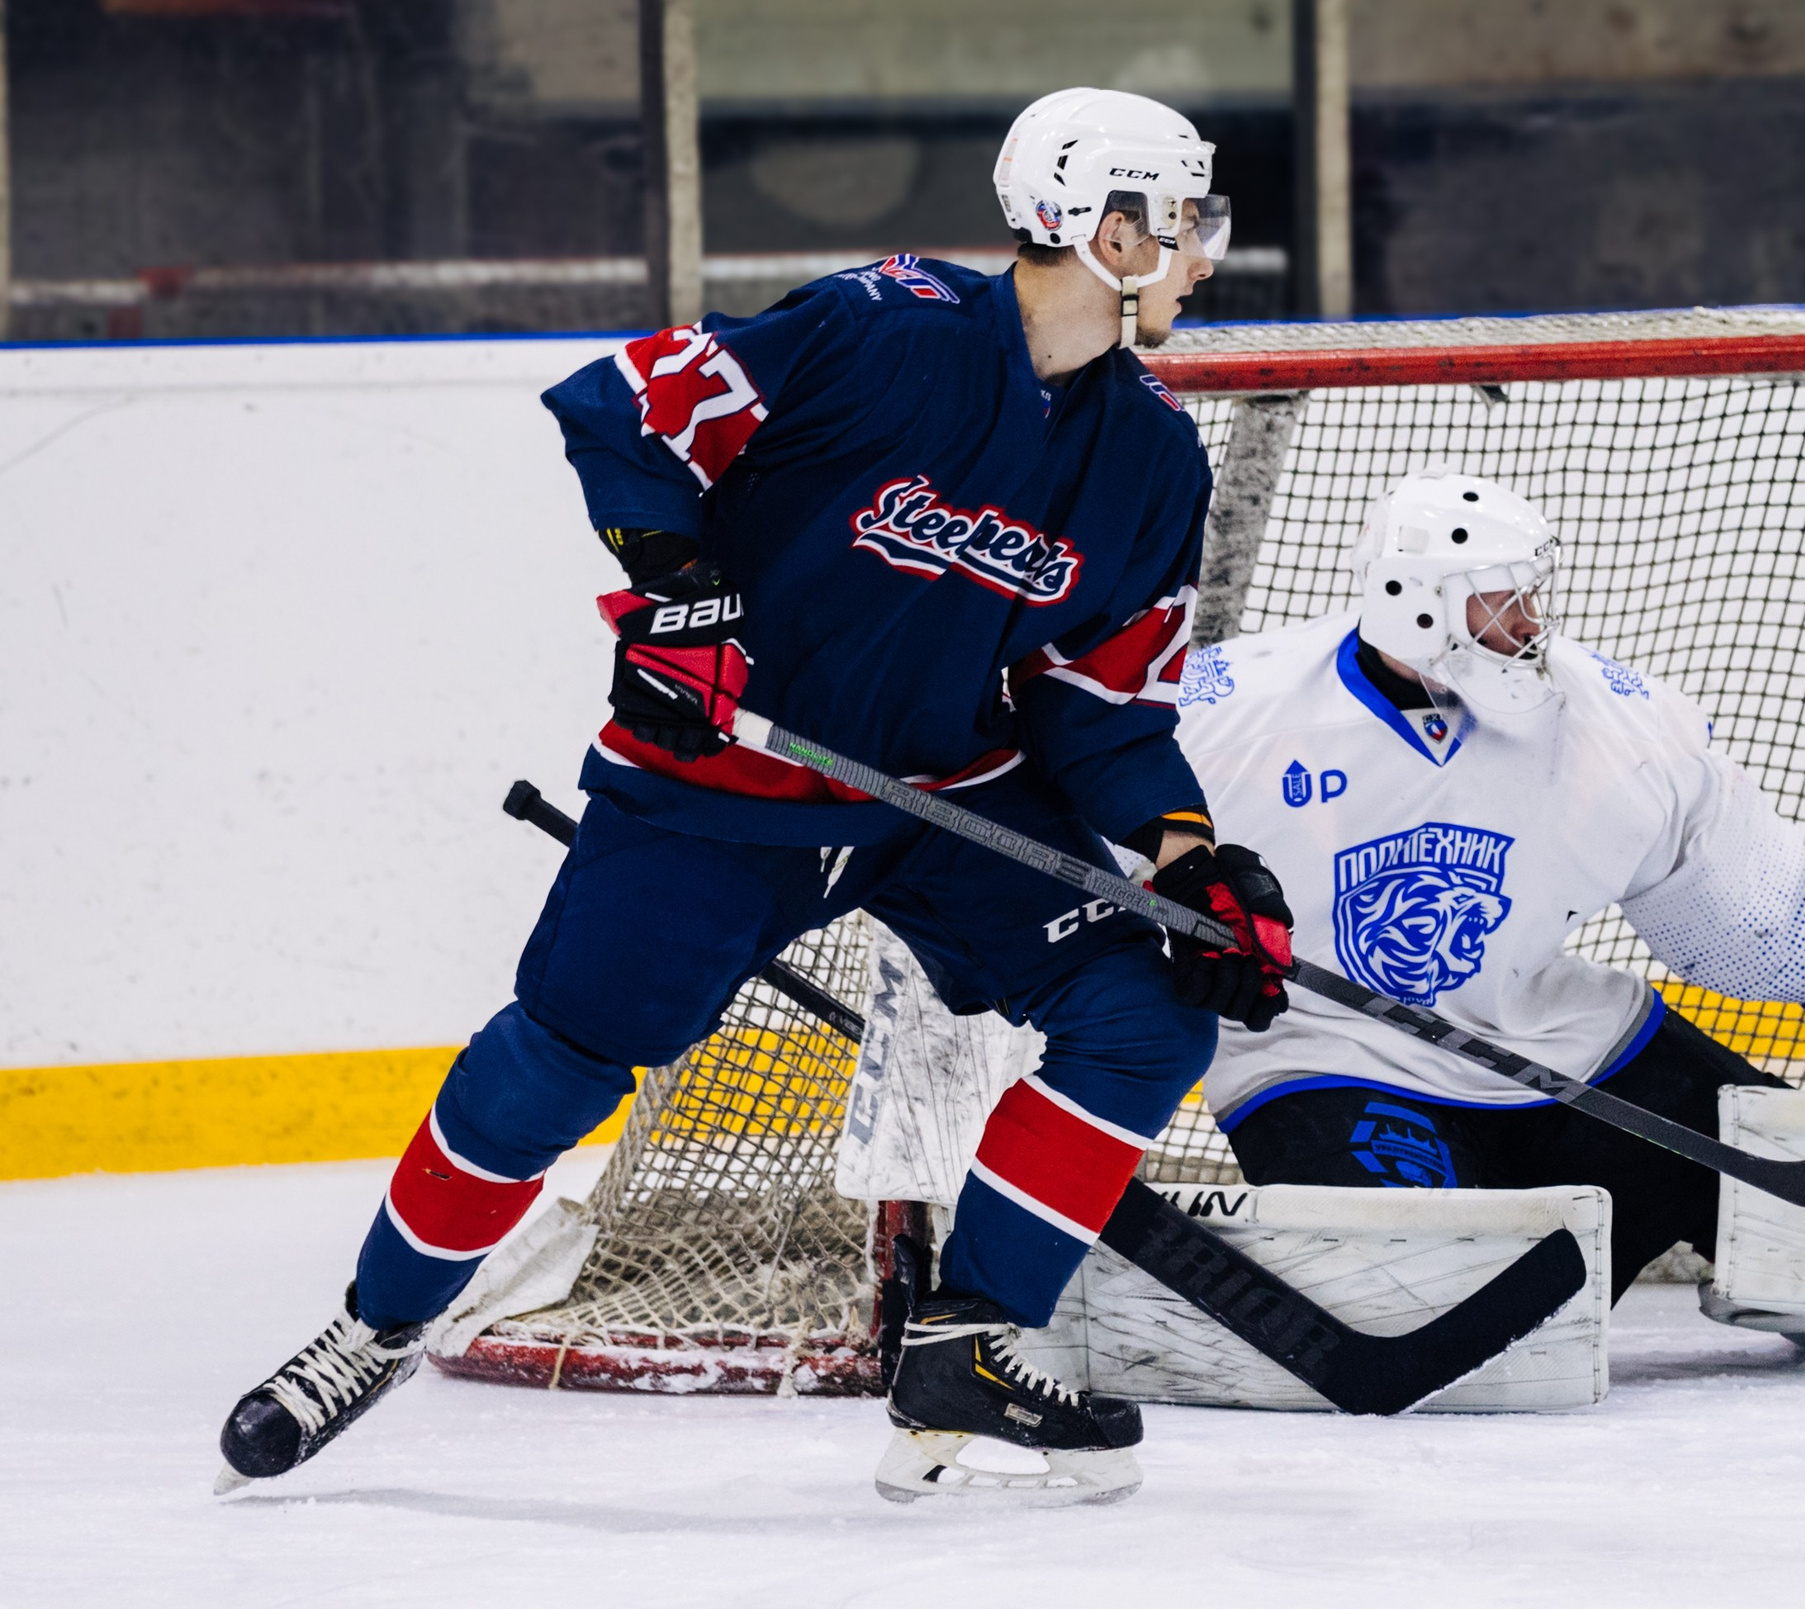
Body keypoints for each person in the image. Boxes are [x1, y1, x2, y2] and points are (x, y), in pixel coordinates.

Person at [216, 87, 1297, 1507]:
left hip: (936, 795)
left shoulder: (1148, 456)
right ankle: (376, 1325)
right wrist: (678, 592)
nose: (1205, 252)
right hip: (720, 784)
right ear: (1106, 227)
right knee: (564, 1059)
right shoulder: (884, 327)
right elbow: (625, 405)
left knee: (1145, 1009)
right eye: (1185, 219)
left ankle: (966, 1344)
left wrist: (1187, 856)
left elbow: (1100, 705)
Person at [1172, 469, 1805, 1299]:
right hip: (1330, 1056)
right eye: (1502, 600)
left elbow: (1747, 919)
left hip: (1560, 1045)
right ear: (1414, 601)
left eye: (1530, 596)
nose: (1530, 621)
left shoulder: (1609, 716)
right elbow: (1104, 851)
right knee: (1414, 1298)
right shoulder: (1225, 711)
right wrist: (1170, 938)